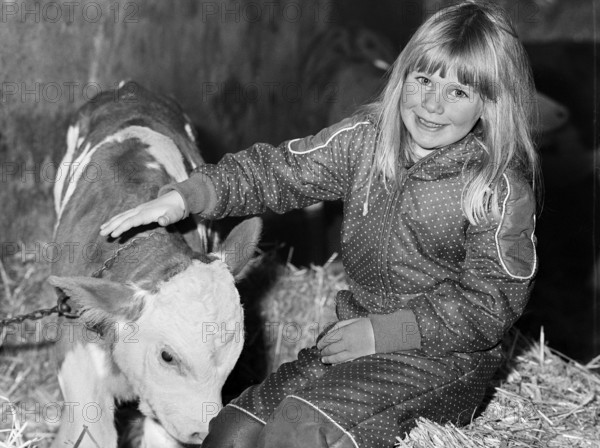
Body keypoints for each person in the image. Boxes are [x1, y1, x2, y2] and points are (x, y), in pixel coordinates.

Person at [100, 1, 540, 446]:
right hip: (351, 338)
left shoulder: (498, 191)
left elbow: (490, 304)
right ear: (401, 74)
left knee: (300, 433)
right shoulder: (365, 141)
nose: (431, 104)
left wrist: (383, 333)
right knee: (230, 435)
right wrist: (189, 194)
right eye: (423, 80)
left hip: (440, 360)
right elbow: (281, 171)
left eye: (458, 93)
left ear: (490, 104)